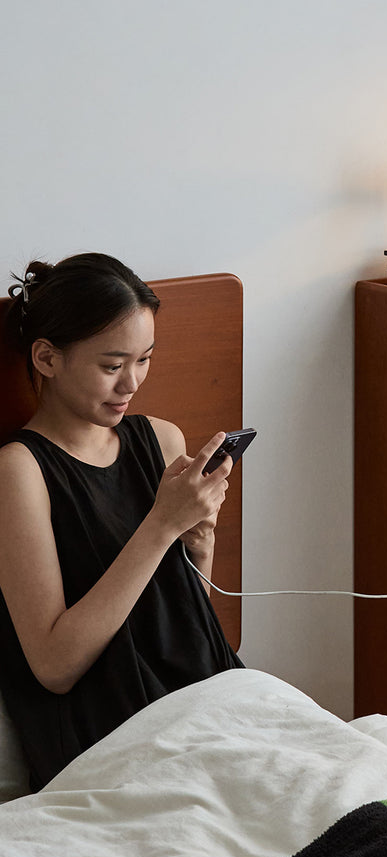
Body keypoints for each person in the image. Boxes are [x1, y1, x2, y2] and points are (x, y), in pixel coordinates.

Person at [0, 253, 243, 791]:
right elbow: (54, 665)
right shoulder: (19, 472)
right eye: (112, 365)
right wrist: (160, 526)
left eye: (145, 359)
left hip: (204, 701)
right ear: (46, 358)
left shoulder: (161, 439)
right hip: (109, 738)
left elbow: (180, 622)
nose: (130, 382)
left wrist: (199, 546)